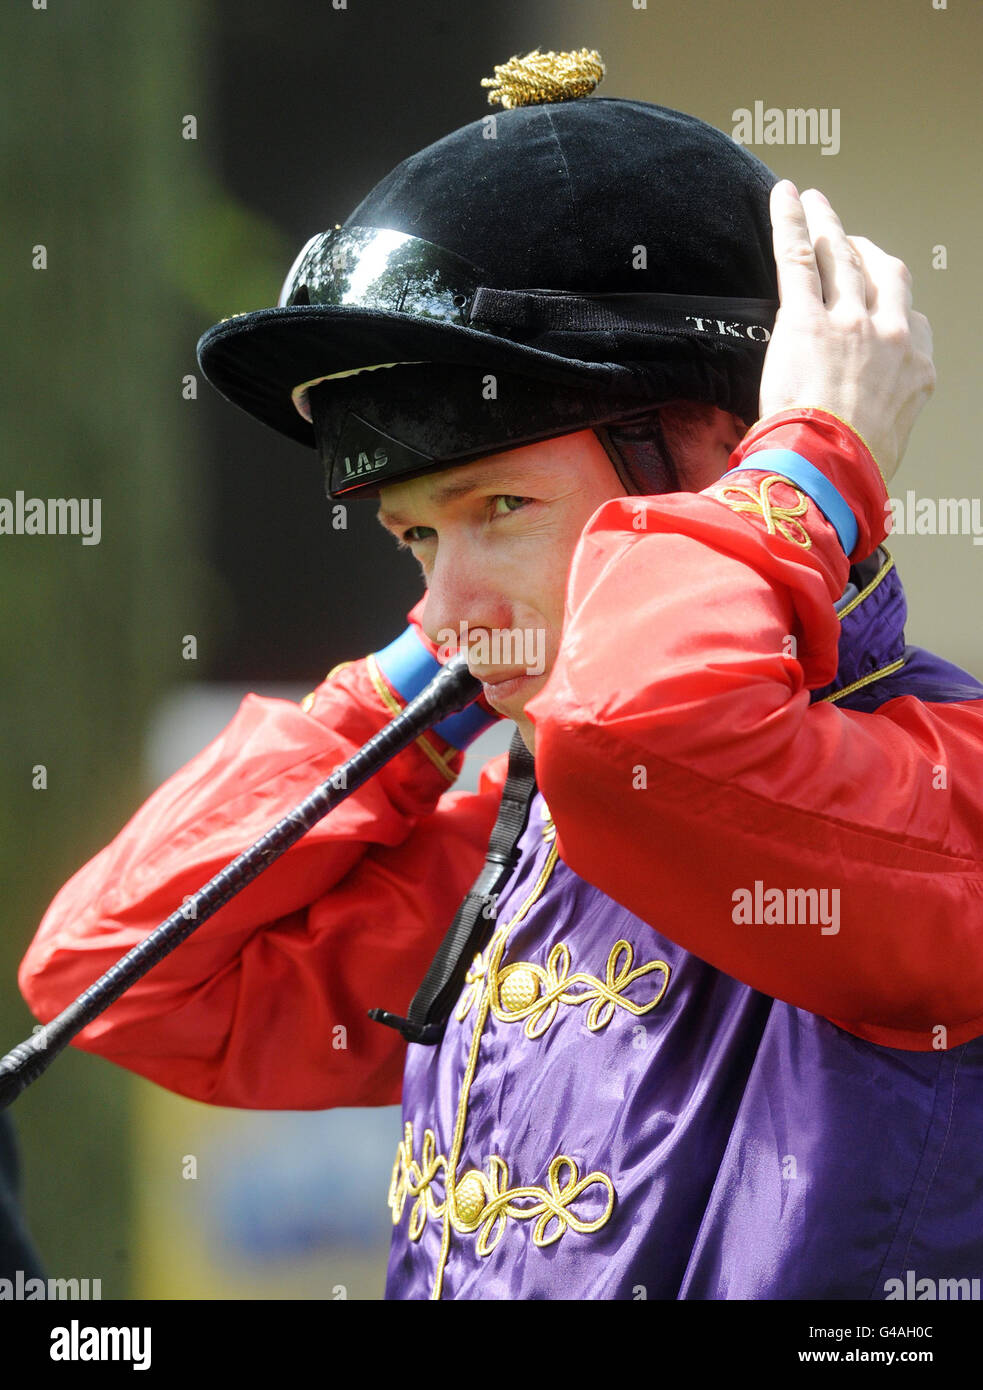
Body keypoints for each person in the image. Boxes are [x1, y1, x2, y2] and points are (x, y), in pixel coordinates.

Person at [17, 51, 983, 1300]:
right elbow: (118, 975)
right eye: (417, 535)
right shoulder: (517, 841)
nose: (439, 594)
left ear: (731, 465)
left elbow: (656, 733)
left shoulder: (943, 789)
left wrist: (810, 468)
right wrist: (425, 675)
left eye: (502, 506)